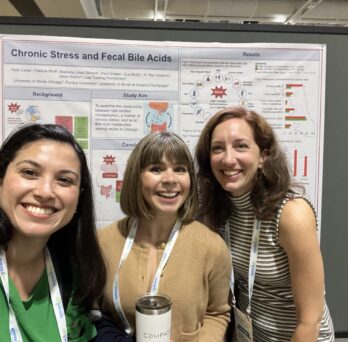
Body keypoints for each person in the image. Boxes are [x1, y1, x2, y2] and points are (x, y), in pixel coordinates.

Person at [195, 106, 334, 342]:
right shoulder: (217, 210)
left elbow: (310, 321)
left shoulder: (292, 214)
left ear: (263, 156)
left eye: (241, 146)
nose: (228, 159)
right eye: (218, 148)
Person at [97, 131, 232, 341]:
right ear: (137, 177)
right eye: (156, 169)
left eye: (180, 169)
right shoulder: (103, 241)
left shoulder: (212, 246)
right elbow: (93, 311)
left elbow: (218, 313)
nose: (170, 179)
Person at [0, 123, 106, 341]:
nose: (45, 192)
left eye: (64, 180)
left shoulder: (72, 272)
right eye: (29, 172)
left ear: (78, 197)